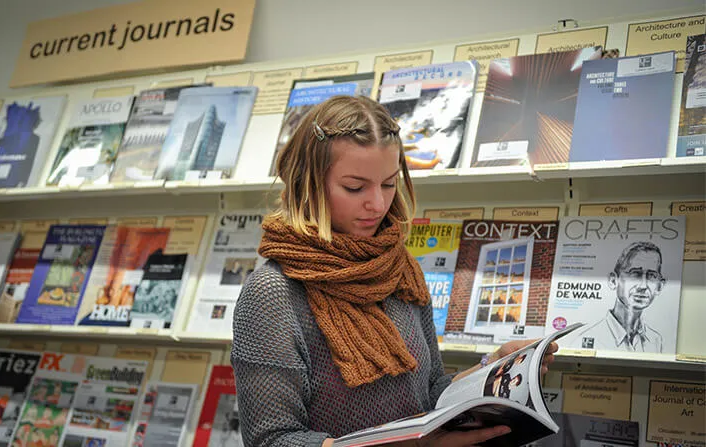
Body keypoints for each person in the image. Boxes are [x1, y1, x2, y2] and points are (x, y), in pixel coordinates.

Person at [231, 95, 556, 447]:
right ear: (308, 183)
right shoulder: (271, 293)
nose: (378, 203)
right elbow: (271, 440)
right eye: (354, 187)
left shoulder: (401, 268)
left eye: (388, 183)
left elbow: (429, 394)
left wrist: (492, 371)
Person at [567, 241, 665, 353]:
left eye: (652, 276)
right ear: (613, 281)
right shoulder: (587, 339)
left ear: (659, 286)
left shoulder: (656, 341)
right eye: (635, 274)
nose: (643, 286)